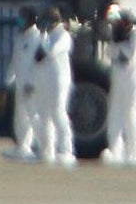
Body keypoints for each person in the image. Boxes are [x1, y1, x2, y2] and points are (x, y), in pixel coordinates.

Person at [100, 6, 136, 165]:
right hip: (118, 81)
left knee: (130, 115)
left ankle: (134, 153)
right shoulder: (117, 37)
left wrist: (118, 47)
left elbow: (129, 56)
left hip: (132, 83)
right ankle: (115, 150)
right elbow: (108, 53)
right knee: (114, 115)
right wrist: (116, 44)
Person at [4, 11, 49, 162]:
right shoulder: (19, 37)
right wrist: (9, 79)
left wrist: (33, 82)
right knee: (20, 117)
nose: (20, 19)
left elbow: (40, 63)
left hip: (32, 84)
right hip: (20, 83)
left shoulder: (38, 37)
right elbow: (15, 60)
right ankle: (23, 147)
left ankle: (44, 148)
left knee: (34, 116)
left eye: (22, 16)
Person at [40, 9, 80, 167]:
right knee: (46, 114)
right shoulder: (48, 35)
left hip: (60, 81)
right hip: (48, 80)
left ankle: (66, 150)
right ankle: (48, 149)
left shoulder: (63, 36)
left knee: (59, 113)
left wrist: (42, 37)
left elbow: (51, 51)